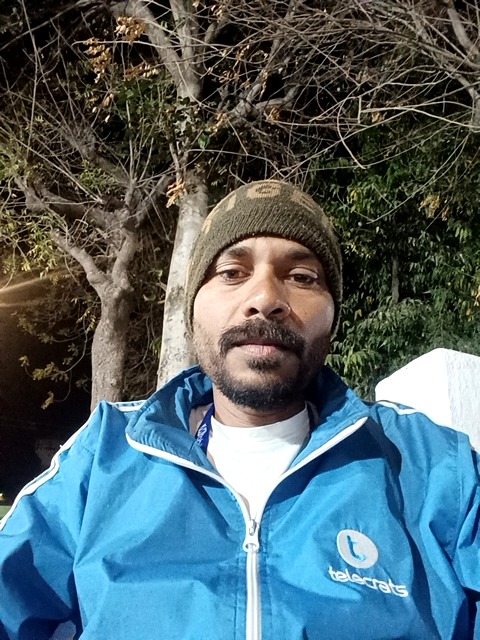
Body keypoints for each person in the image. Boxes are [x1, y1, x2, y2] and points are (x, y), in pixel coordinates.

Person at [0, 180, 479, 640]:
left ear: (333, 317)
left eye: (301, 277)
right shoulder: (106, 454)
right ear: (192, 311)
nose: (265, 299)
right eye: (231, 273)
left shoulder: (432, 466)